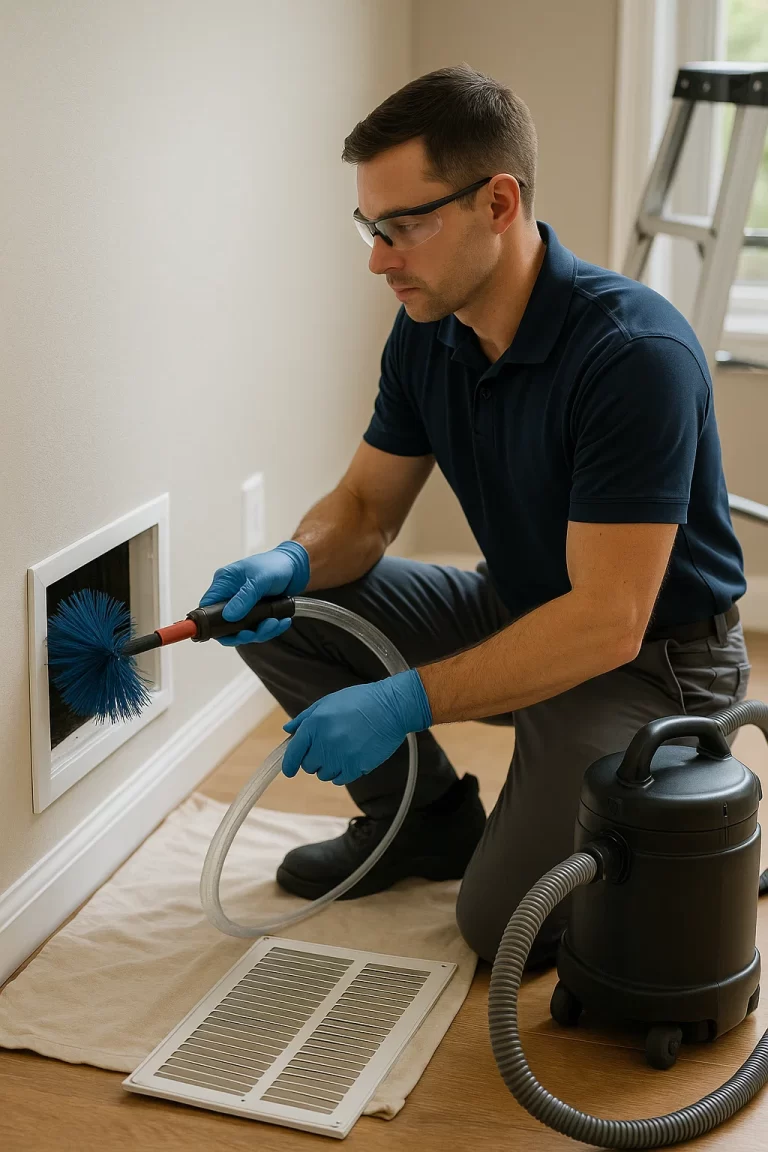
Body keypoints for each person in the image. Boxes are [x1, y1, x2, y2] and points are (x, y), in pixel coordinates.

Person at [199, 64, 750, 969]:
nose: (380, 259)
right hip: (517, 608)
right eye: (371, 228)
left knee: (505, 928)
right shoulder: (428, 331)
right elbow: (365, 508)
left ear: (499, 202)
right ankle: (423, 821)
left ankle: (657, 831)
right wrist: (292, 561)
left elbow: (608, 621)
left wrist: (404, 700)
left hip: (650, 666)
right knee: (281, 612)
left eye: (406, 226)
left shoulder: (632, 355)